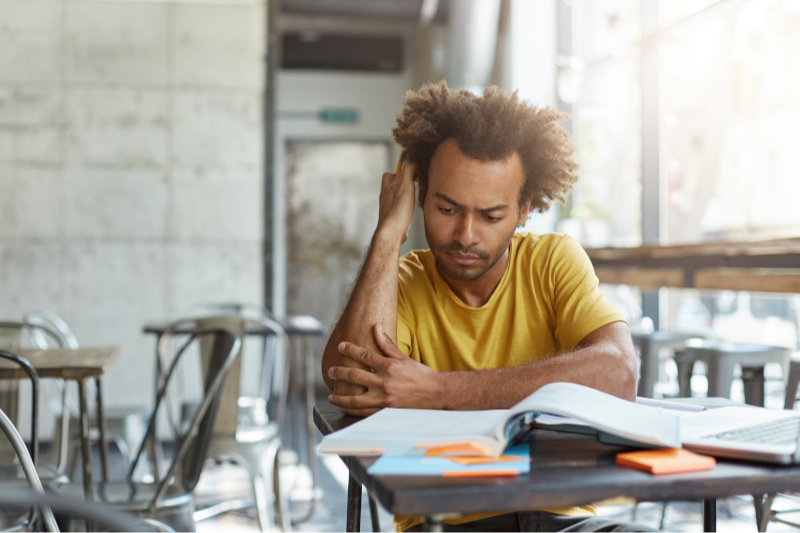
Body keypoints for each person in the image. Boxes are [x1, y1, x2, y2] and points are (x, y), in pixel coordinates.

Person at [321, 81, 654, 533]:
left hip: (566, 520)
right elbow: (352, 387)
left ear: (524, 210)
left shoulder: (553, 261)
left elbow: (618, 373)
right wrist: (386, 235)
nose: (466, 235)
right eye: (447, 208)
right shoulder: (400, 284)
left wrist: (436, 391)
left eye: (492, 216)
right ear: (420, 196)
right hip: (446, 522)